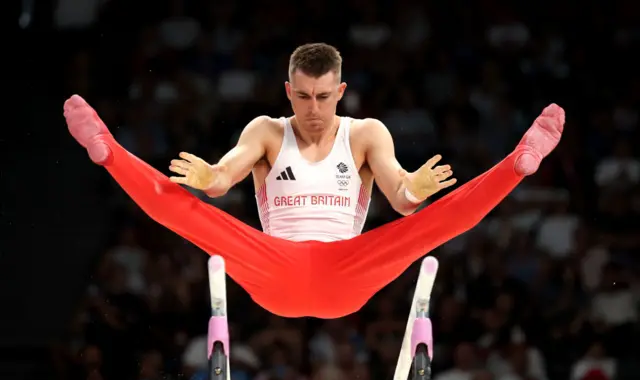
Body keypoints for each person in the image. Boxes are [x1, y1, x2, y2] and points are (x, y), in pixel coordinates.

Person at [63, 43, 565, 319]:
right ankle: (109, 153)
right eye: (302, 96)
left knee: (432, 227)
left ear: (340, 90)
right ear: (288, 90)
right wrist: (209, 176)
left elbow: (402, 198)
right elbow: (221, 179)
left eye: (324, 96)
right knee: (190, 215)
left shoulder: (367, 133)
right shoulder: (265, 130)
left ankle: (517, 163)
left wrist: (416, 188)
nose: (313, 109)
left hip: (347, 270)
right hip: (274, 266)